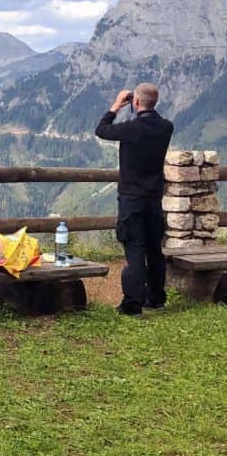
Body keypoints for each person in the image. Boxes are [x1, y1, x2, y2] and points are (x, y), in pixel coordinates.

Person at [95, 83, 174, 316]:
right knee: (154, 250)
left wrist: (117, 105)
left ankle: (132, 304)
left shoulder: (130, 129)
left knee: (135, 252)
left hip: (131, 200)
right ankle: (157, 299)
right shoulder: (166, 127)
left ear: (136, 102)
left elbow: (101, 129)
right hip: (154, 200)